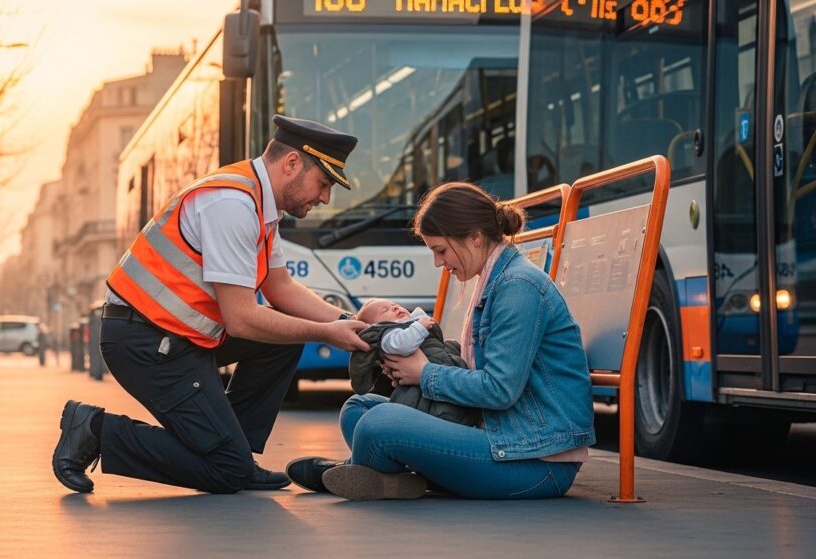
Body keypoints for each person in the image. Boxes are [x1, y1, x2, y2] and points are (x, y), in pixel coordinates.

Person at [52, 115, 371, 494]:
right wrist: (327, 334)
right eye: (323, 183)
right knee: (225, 471)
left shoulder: (259, 204)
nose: (324, 198)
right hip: (144, 342)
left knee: (284, 342)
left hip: (177, 334)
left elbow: (279, 287)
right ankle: (94, 429)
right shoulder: (232, 206)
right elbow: (241, 320)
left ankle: (231, 446)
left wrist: (350, 321)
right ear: (291, 164)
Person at [287, 182, 595, 500]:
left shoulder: (518, 287)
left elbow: (500, 389)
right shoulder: (496, 280)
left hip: (533, 462)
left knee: (379, 423)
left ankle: (358, 473)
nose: (438, 263)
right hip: (498, 435)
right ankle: (379, 478)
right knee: (360, 409)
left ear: (475, 237)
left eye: (441, 250)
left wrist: (423, 373)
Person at [347, 299, 478, 427]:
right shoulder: (388, 335)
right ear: (376, 326)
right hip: (420, 393)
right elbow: (403, 344)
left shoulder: (410, 326)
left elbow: (435, 347)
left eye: (395, 305)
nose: (395, 308)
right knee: (432, 410)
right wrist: (420, 326)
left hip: (440, 376)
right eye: (385, 311)